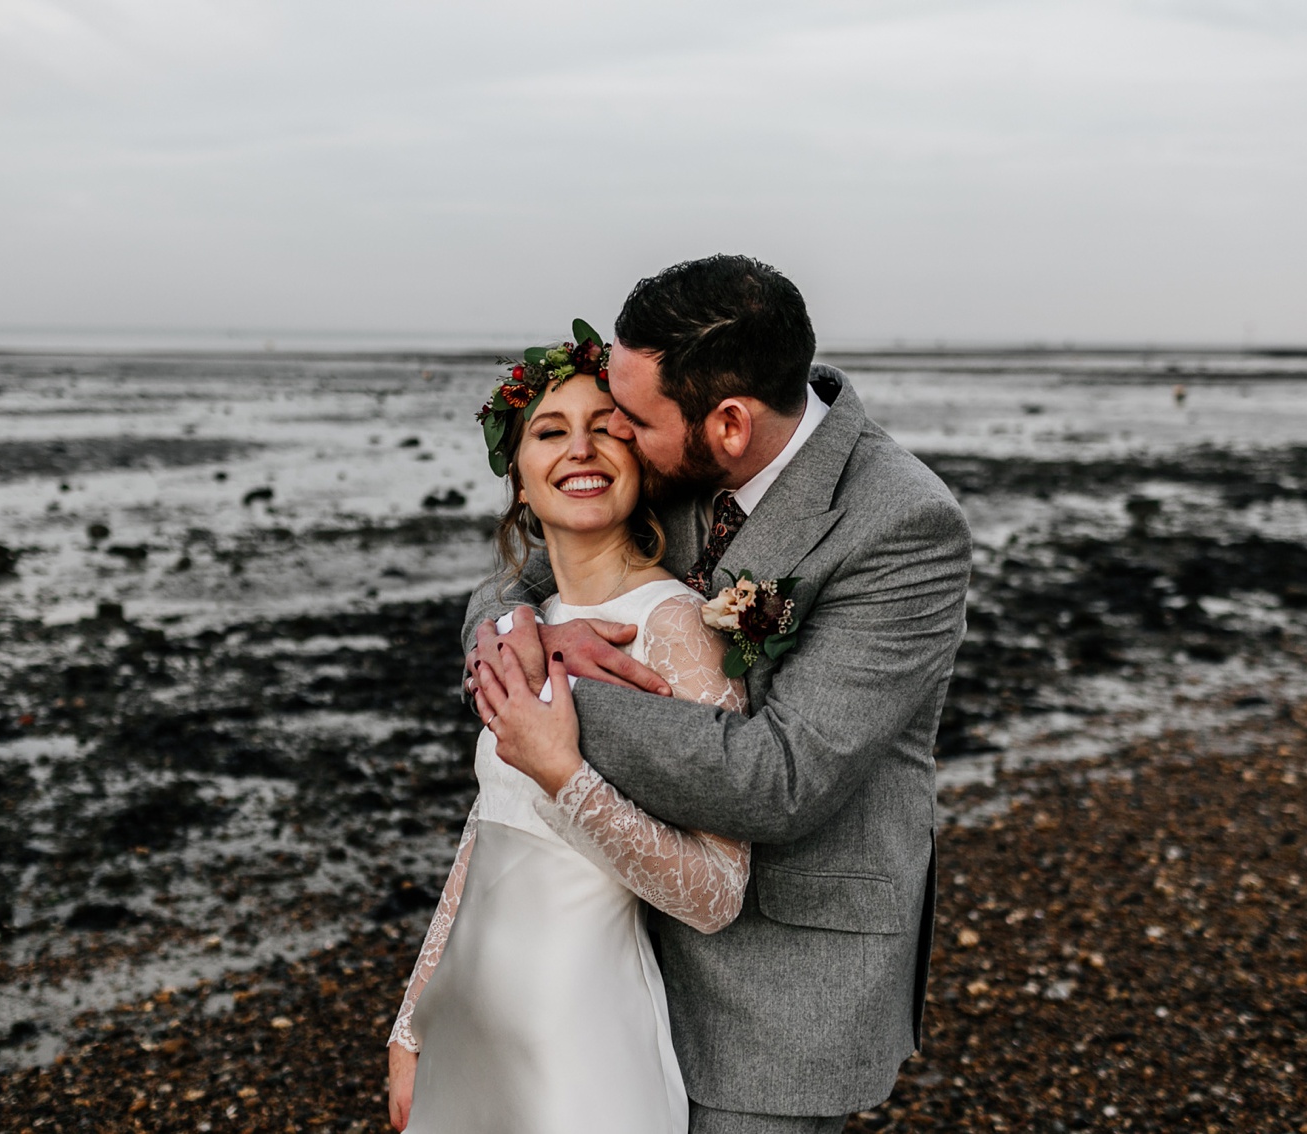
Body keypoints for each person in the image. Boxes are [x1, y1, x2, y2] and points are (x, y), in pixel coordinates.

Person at [467, 255, 973, 1133]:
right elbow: (520, 580)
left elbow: (781, 777)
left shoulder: (903, 526)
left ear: (729, 424)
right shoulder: (681, 451)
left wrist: (547, 701)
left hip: (777, 980)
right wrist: (517, 634)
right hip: (616, 938)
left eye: (629, 417)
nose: (613, 436)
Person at [386, 323, 752, 1134]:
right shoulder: (528, 625)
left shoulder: (674, 628)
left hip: (583, 1042)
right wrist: (413, 1022)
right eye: (551, 432)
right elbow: (487, 834)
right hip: (473, 1022)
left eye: (608, 430)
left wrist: (567, 777)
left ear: (640, 465)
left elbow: (717, 894)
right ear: (518, 478)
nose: (581, 450)